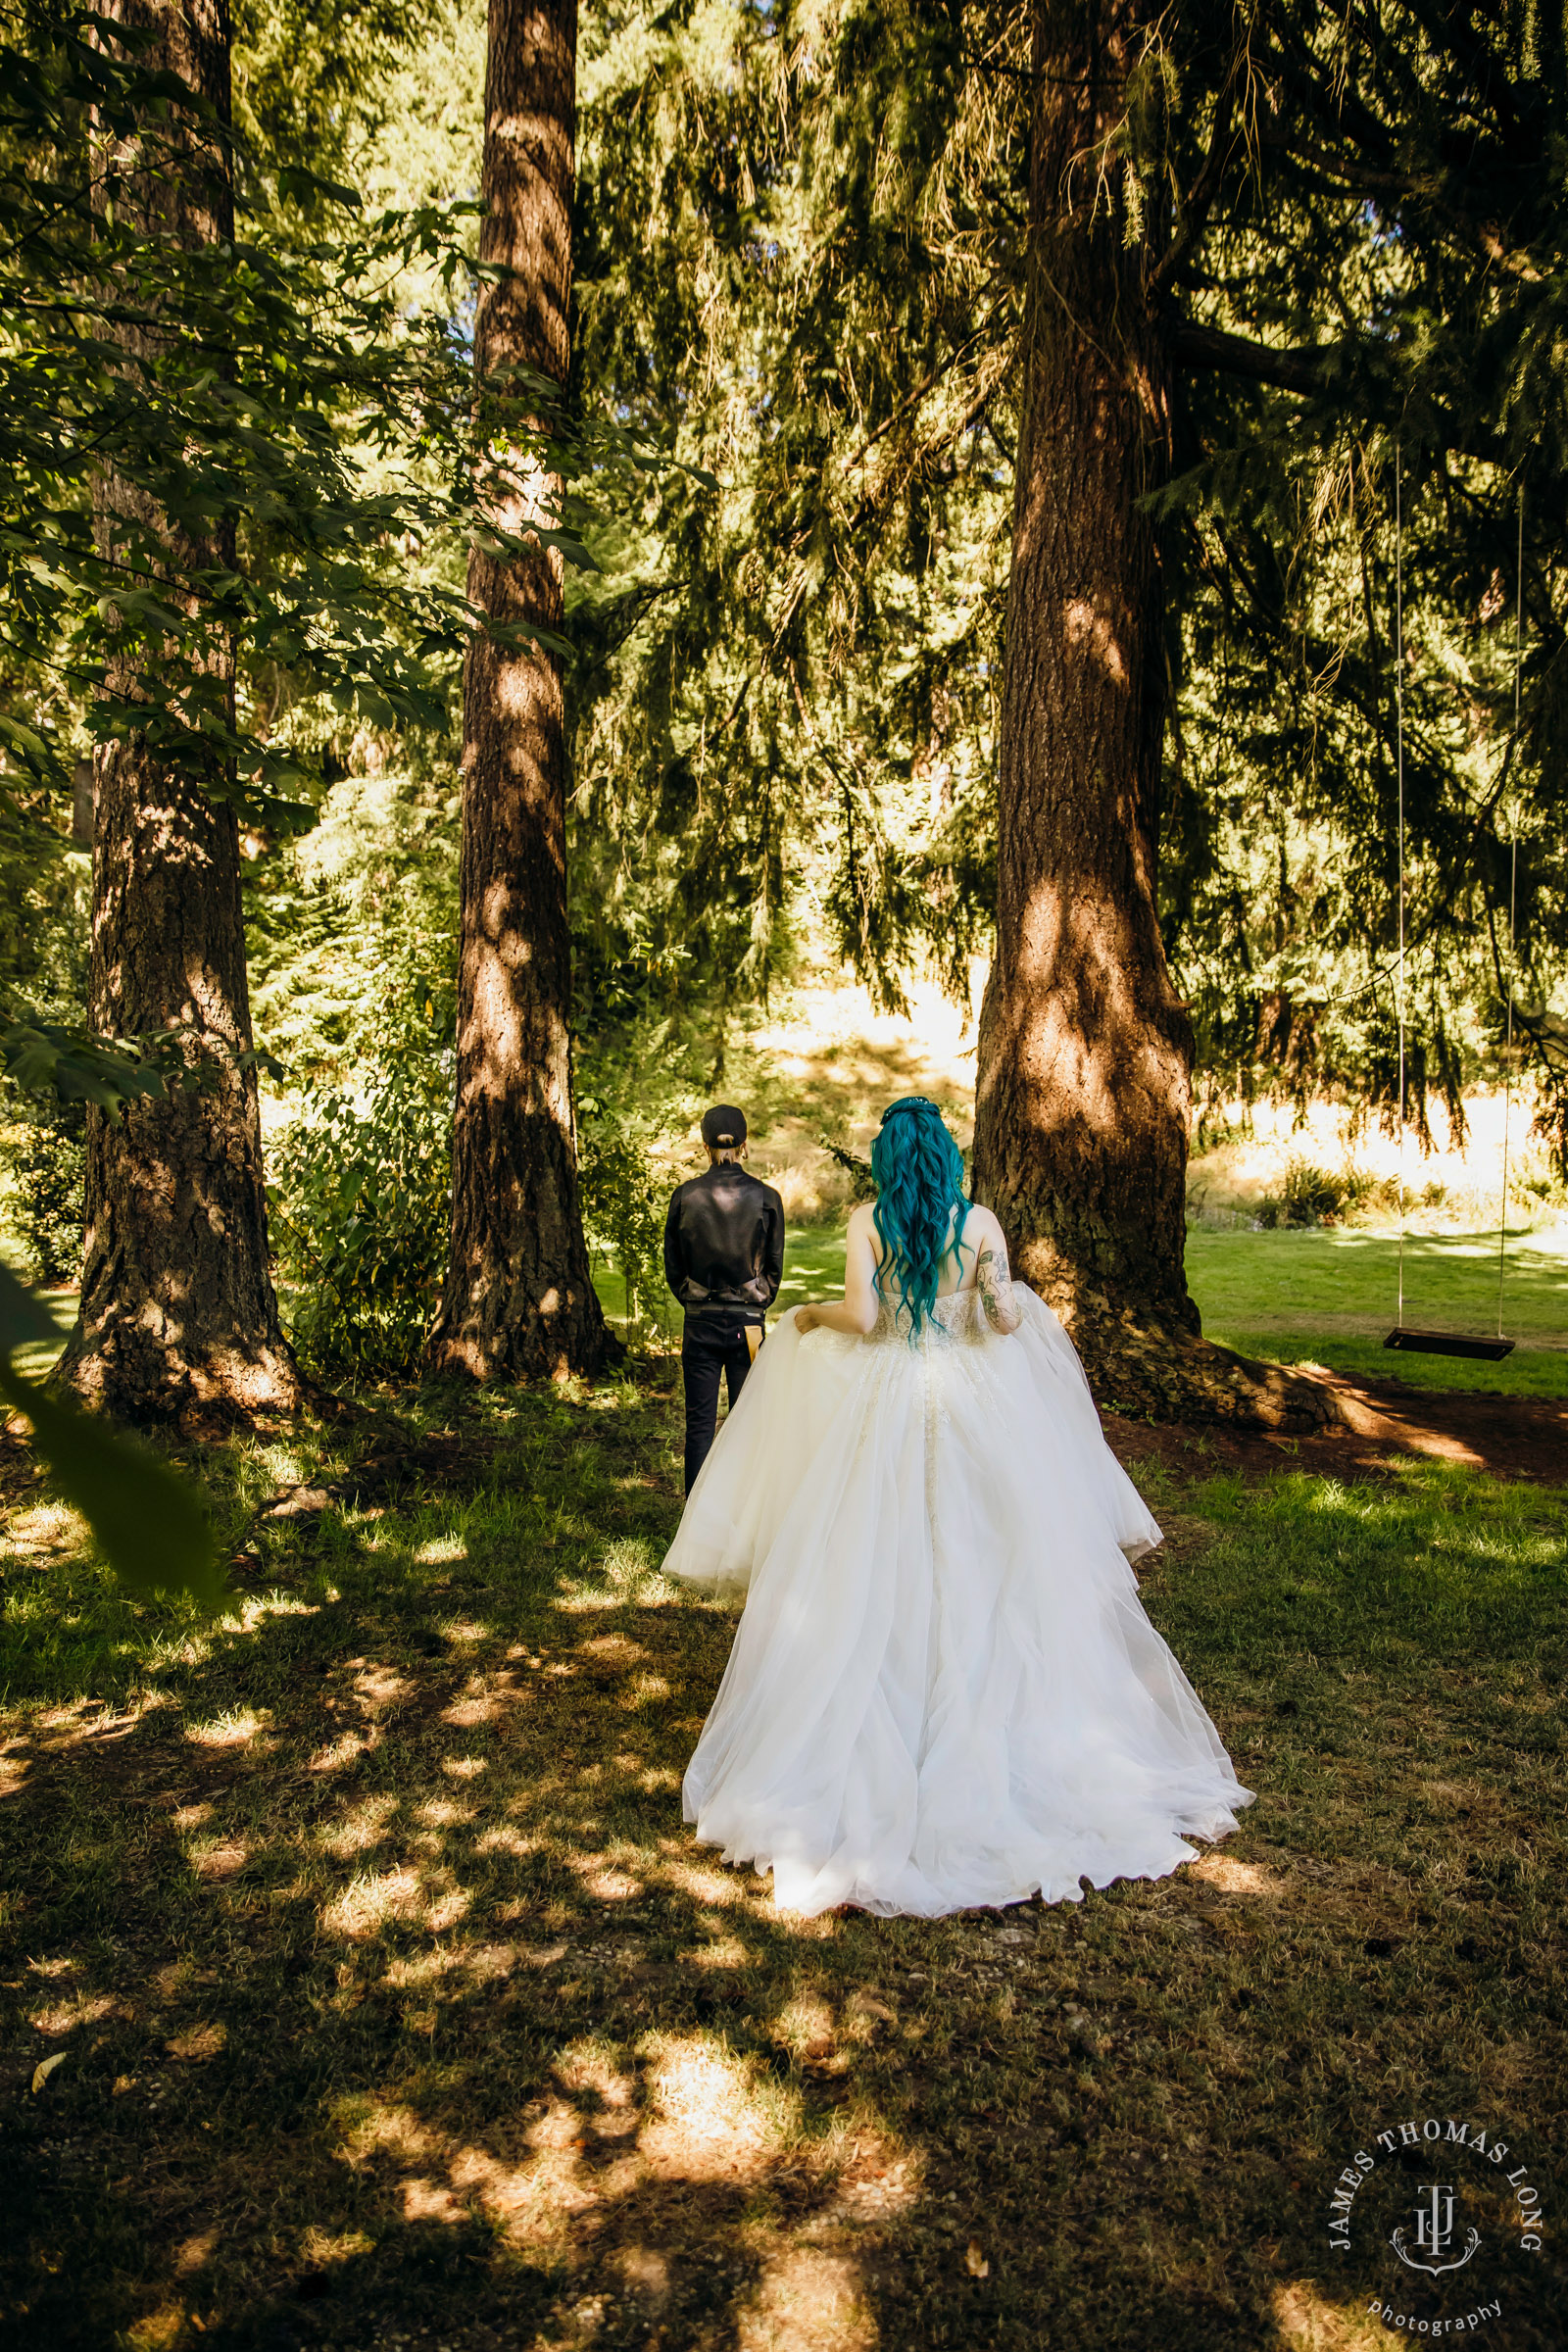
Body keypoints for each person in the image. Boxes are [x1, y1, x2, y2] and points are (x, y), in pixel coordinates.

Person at [662, 1095, 1251, 1919]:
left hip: (889, 1400)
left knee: (873, 1552)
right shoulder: (980, 1225)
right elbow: (1005, 1321)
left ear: (887, 1161)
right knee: (988, 1554)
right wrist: (992, 1297)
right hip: (973, 1402)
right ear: (943, 1156)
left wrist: (805, 1315)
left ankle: (885, 1709)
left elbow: (864, 1321)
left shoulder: (869, 1219)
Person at [663, 1104, 785, 1494]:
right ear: (744, 1144)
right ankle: (741, 1513)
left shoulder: (685, 1196)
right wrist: (757, 1299)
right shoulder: (767, 1197)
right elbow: (775, 1267)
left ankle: (695, 1520)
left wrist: (694, 1298)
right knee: (747, 1422)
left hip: (699, 1321)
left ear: (705, 1146)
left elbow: (674, 1266)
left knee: (699, 1423)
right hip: (748, 1323)